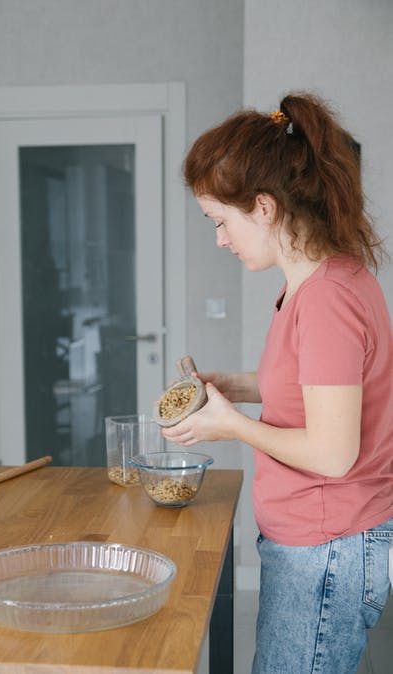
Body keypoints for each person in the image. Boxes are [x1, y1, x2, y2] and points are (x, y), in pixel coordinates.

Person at [163, 93, 393, 673]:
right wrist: (238, 386)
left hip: (326, 548)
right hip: (321, 541)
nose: (219, 238)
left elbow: (332, 454)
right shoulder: (320, 278)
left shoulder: (326, 300)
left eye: (221, 220)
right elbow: (320, 387)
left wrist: (231, 427)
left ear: (264, 207)